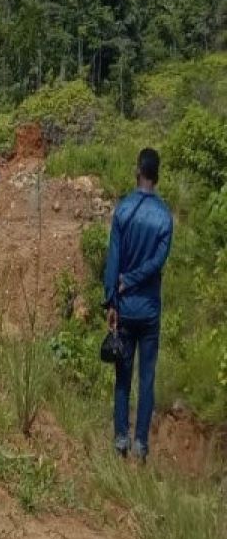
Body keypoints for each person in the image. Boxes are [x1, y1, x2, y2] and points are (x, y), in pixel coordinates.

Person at [104, 148, 173, 464]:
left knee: (122, 376)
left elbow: (113, 261)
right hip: (149, 312)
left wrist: (113, 299)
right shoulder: (165, 217)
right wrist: (135, 279)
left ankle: (120, 438)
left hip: (126, 308)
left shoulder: (123, 210)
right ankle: (141, 445)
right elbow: (159, 262)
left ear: (137, 172)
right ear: (156, 176)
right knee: (147, 379)